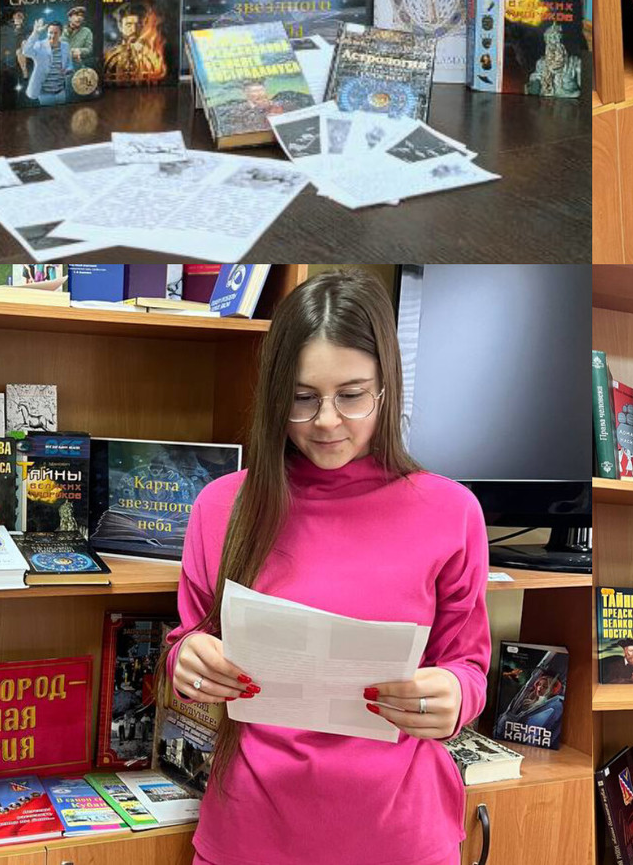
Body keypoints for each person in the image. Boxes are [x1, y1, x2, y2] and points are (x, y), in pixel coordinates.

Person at [164, 270, 490, 865]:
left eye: (353, 394)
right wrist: (187, 659)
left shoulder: (451, 511)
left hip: (400, 835)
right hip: (250, 830)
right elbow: (189, 641)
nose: (327, 421)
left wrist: (454, 697)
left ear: (387, 388)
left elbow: (467, 665)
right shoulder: (221, 506)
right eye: (302, 397)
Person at [23, 18, 76, 105]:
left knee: (63, 112)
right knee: (46, 113)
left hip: (61, 92)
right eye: (50, 32)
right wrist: (35, 33)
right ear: (47, 33)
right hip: (45, 94)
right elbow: (26, 51)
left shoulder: (65, 46)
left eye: (56, 33)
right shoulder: (39, 45)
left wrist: (67, 70)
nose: (53, 36)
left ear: (61, 34)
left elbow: (69, 64)